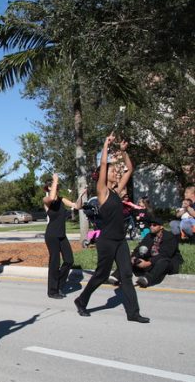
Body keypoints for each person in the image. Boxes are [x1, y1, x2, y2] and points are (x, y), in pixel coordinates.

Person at [74, 133, 149, 323]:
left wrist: (123, 153)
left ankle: (133, 313)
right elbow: (105, 165)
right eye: (112, 171)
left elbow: (130, 169)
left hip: (120, 240)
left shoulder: (116, 192)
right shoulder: (103, 191)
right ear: (102, 174)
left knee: (126, 274)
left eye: (116, 171)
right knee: (101, 275)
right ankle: (81, 301)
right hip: (106, 241)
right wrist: (106, 145)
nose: (116, 172)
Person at [41, 174, 84, 298]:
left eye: (57, 185)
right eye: (53, 185)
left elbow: (77, 206)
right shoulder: (46, 200)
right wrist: (55, 181)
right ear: (48, 187)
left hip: (62, 235)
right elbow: (52, 198)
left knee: (69, 260)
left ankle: (59, 284)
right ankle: (52, 291)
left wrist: (81, 196)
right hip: (52, 235)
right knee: (54, 262)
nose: (56, 187)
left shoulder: (62, 199)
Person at [131, 217, 184, 287]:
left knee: (163, 261)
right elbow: (140, 248)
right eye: (150, 225)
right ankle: (117, 276)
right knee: (131, 257)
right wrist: (134, 257)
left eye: (154, 225)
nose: (151, 226)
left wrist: (148, 263)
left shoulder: (170, 237)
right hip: (152, 261)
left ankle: (146, 279)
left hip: (168, 262)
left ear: (161, 227)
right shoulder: (149, 236)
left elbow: (165, 254)